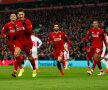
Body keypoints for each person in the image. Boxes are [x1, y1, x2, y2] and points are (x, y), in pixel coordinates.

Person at [14, 8, 36, 77]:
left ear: (24, 14)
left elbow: (30, 33)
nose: (21, 16)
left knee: (30, 57)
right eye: (19, 14)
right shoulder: (16, 23)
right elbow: (16, 32)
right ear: (17, 15)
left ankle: (34, 69)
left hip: (27, 42)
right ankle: (21, 68)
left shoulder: (27, 22)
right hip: (19, 42)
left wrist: (25, 26)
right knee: (16, 54)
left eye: (22, 14)